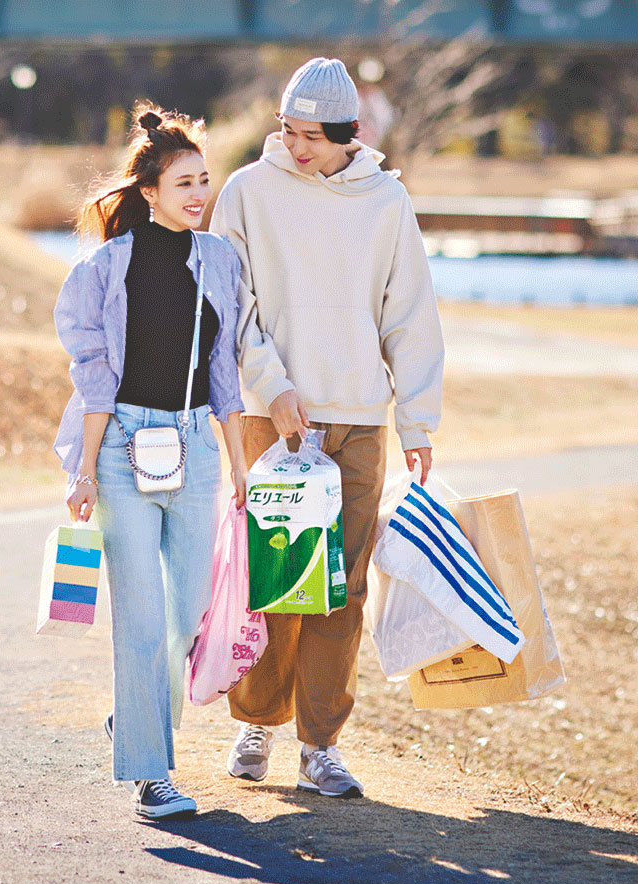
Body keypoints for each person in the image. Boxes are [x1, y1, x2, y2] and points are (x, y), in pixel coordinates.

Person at [210, 57, 444, 798]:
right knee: (275, 582)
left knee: (340, 593)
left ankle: (320, 745)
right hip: (272, 420)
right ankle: (257, 724)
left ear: (350, 133)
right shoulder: (248, 192)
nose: (296, 146)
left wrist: (417, 420)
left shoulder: (386, 201)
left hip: (357, 423)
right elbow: (229, 305)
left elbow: (410, 316)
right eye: (287, 130)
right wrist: (272, 388)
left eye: (311, 135)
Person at [54, 104, 247, 819]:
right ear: (149, 192)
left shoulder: (220, 260)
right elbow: (94, 379)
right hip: (123, 451)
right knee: (140, 614)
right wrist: (83, 470)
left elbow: (225, 372)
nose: (199, 194)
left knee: (188, 615)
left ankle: (134, 720)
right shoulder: (105, 269)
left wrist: (240, 466)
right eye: (184, 183)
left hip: (197, 447)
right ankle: (151, 772)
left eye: (204, 180)